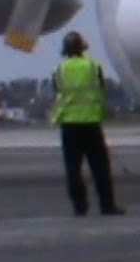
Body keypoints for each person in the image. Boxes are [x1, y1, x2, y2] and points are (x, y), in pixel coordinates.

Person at [52, 31, 125, 216]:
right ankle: (107, 205)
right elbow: (102, 90)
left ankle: (79, 207)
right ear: (83, 48)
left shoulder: (60, 70)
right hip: (91, 123)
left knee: (73, 169)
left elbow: (57, 91)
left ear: (65, 50)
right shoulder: (93, 67)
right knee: (100, 166)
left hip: (69, 125)